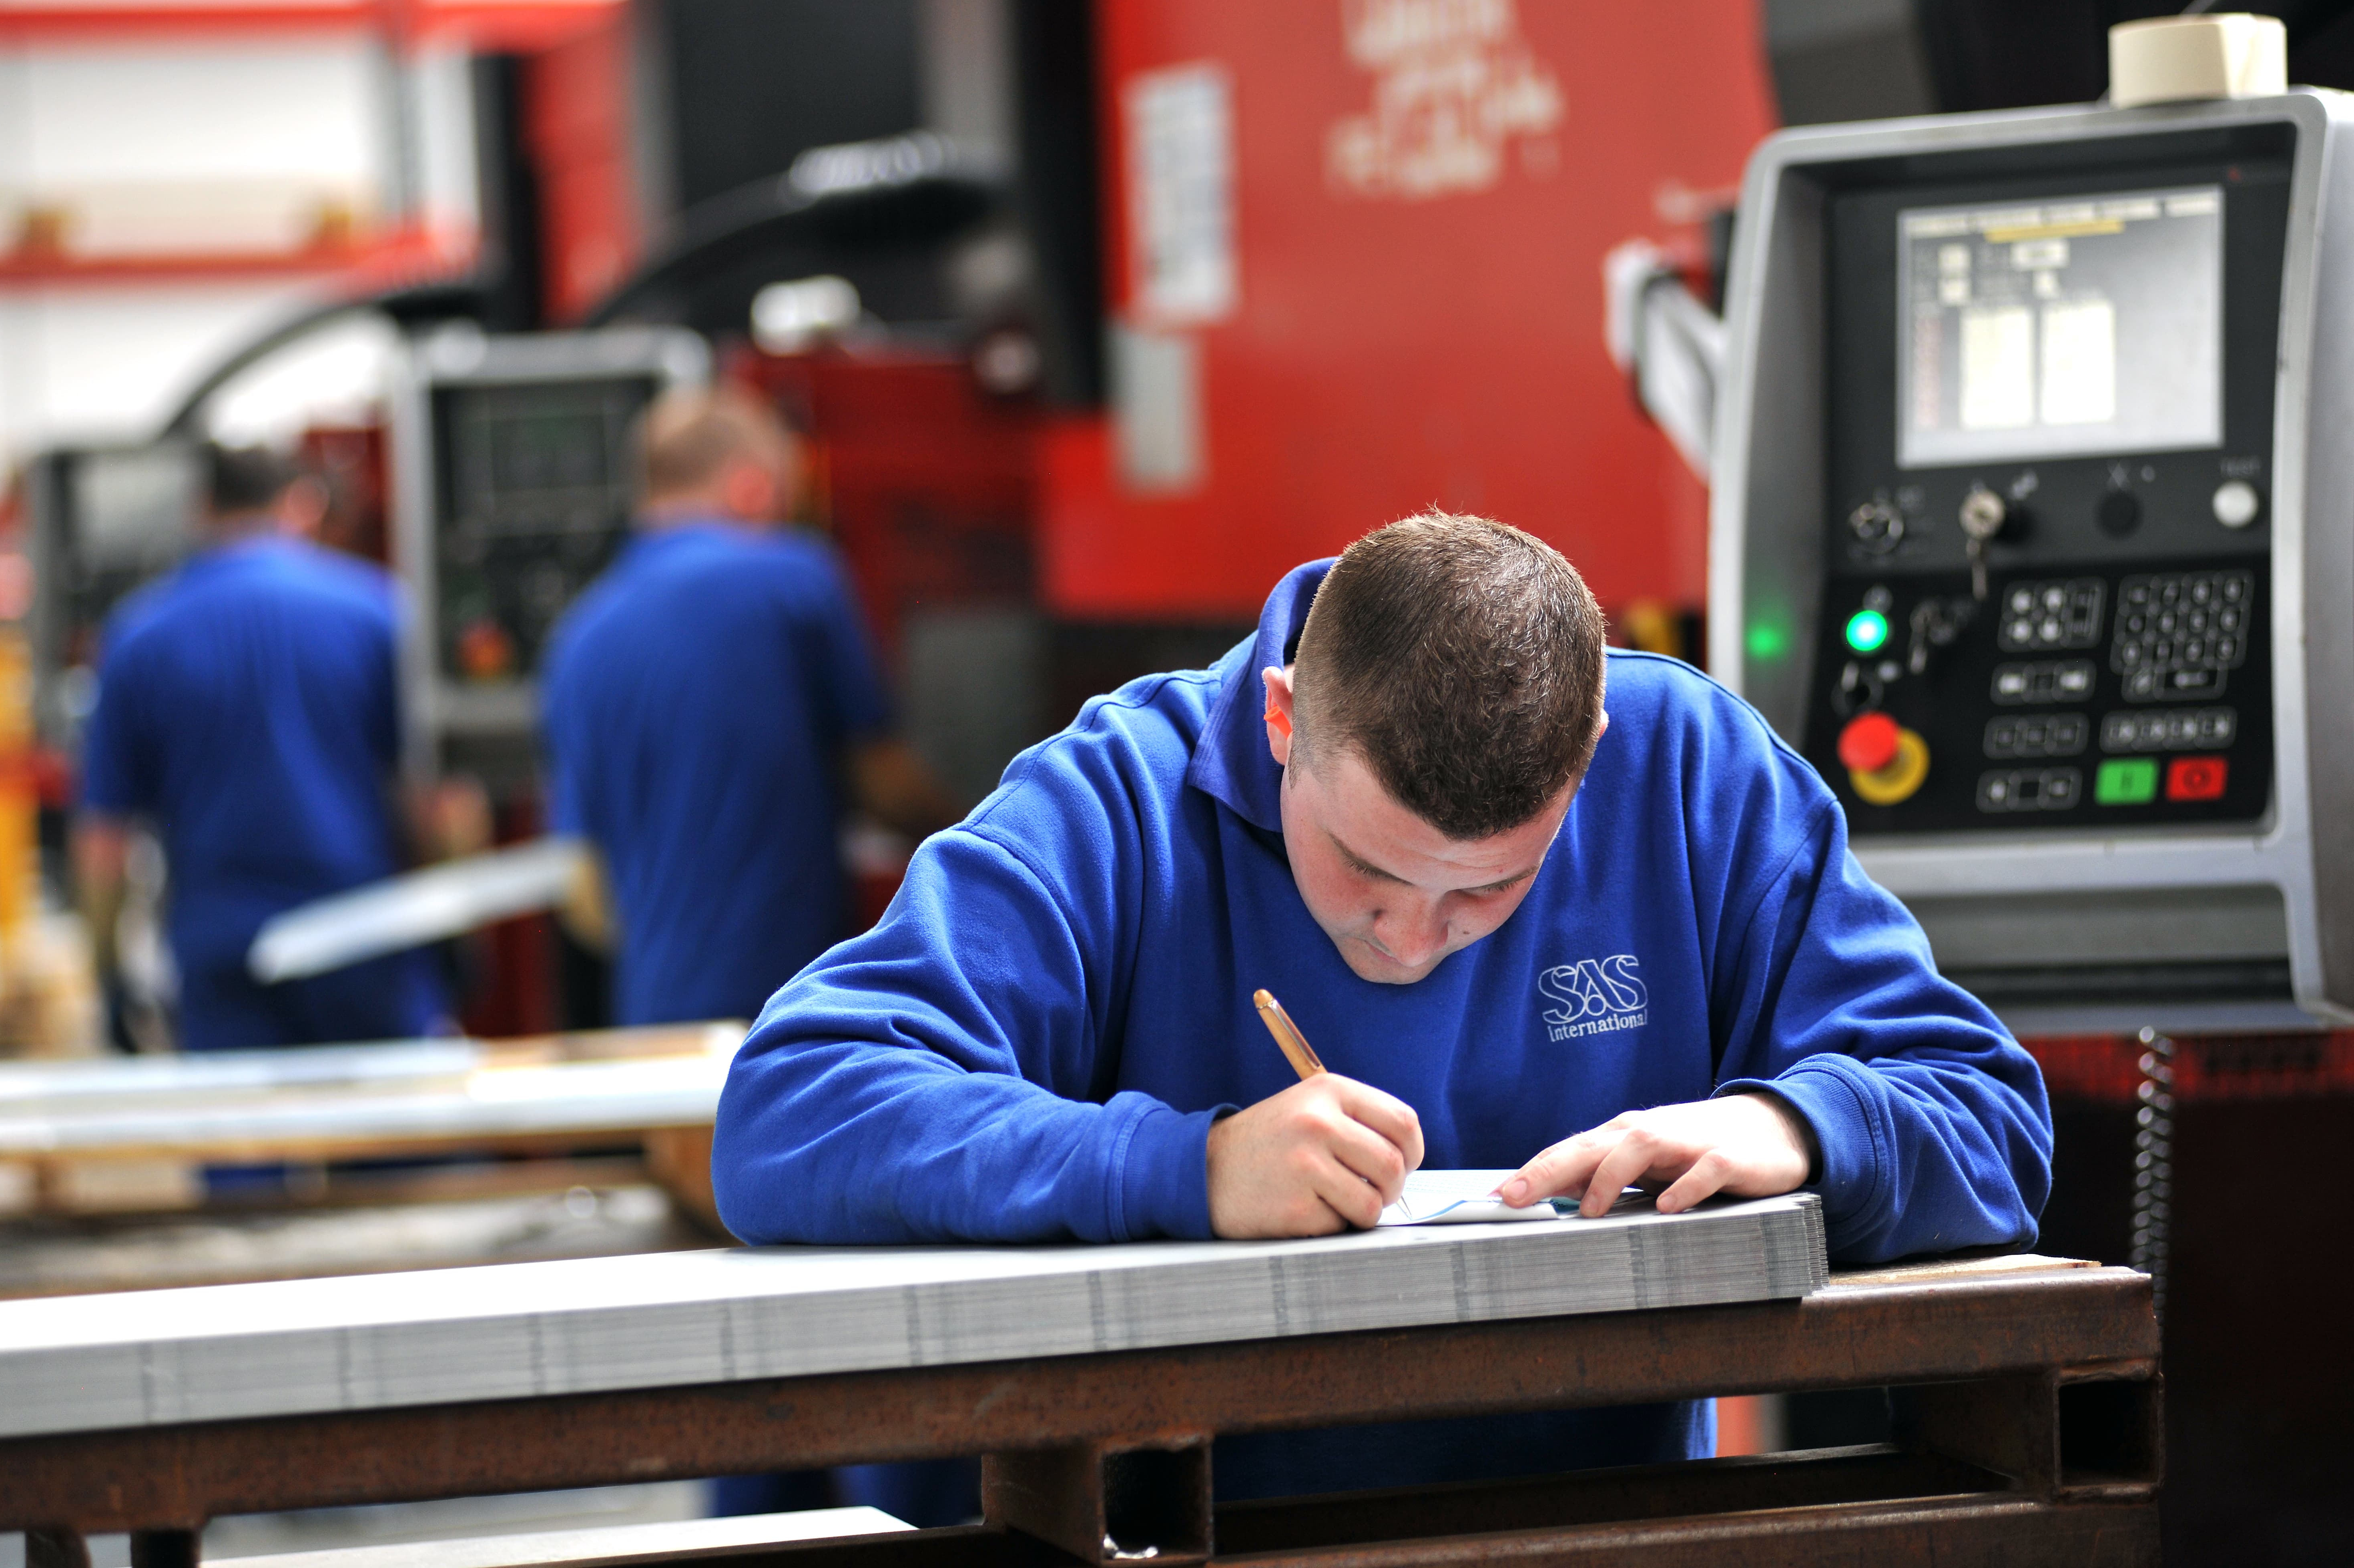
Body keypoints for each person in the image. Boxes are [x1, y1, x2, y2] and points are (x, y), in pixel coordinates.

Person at [714, 512, 2052, 1500]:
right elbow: (795, 1106)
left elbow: (1989, 1116)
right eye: (1365, 869)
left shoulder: (1691, 776)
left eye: (1491, 889)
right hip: (1178, 1535)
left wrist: (1797, 1127)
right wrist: (1185, 1167)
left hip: (1586, 1529)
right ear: (1281, 719)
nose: (1411, 940)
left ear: (1589, 758)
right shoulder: (1118, 801)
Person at [540, 386, 955, 1031]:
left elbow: (589, 898)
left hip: (656, 1027)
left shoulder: (577, 638)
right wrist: (989, 839)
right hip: (792, 1017)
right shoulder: (792, 578)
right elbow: (881, 782)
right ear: (753, 486)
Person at [74, 445, 448, 1051]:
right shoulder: (378, 611)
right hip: (364, 937)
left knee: (241, 1109)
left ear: (201, 510)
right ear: (302, 506)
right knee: (385, 1108)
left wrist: (109, 976)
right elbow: (438, 799)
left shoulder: (138, 635)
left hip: (223, 955)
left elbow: (104, 840)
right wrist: (455, 931)